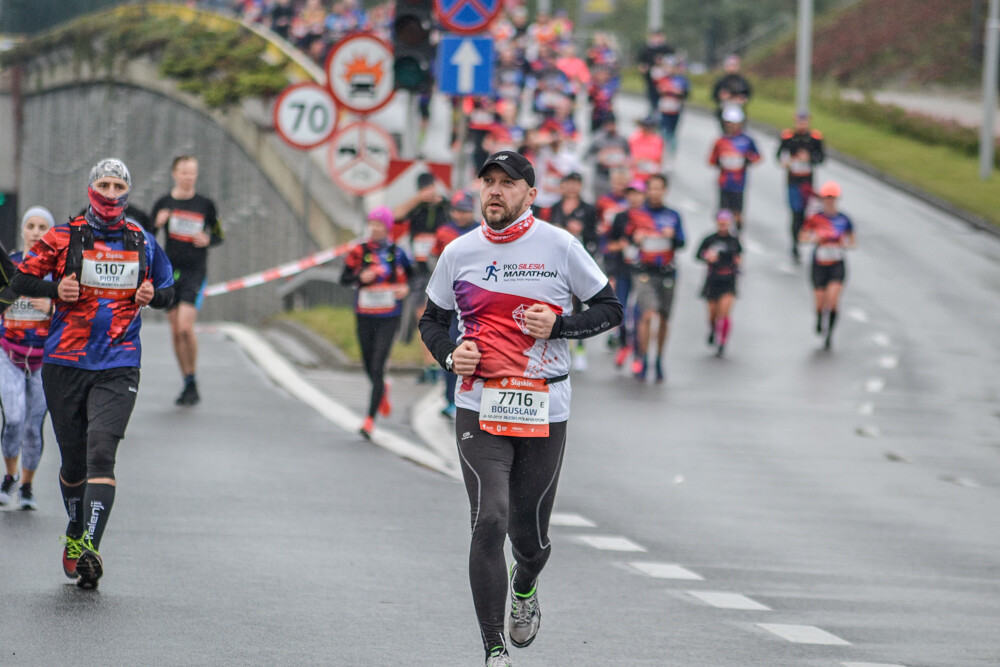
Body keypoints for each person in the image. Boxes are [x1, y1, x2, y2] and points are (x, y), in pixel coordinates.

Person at [418, 151, 622, 666]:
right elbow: (431, 321)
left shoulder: (560, 246)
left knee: (529, 540)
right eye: (488, 181)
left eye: (507, 183)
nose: (495, 190)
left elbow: (611, 309)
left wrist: (561, 326)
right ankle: (494, 649)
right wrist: (450, 355)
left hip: (544, 406)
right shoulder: (458, 252)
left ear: (530, 195)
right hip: (479, 402)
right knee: (489, 518)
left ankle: (525, 583)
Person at [11, 158, 174, 589]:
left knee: (101, 453)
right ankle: (76, 527)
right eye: (104, 184)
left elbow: (169, 291)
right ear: (91, 188)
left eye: (119, 185)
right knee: (73, 462)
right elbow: (20, 282)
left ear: (128, 191)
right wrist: (55, 289)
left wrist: (153, 295)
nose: (111, 193)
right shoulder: (62, 236)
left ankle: (89, 547)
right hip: (65, 363)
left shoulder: (141, 240)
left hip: (119, 362)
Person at [150, 155, 224, 406]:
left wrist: (208, 240)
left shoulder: (205, 204)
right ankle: (187, 381)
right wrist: (157, 223)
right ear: (174, 174)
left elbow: (219, 233)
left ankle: (193, 377)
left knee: (184, 327)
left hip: (195, 271)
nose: (188, 177)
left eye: (192, 173)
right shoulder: (164, 203)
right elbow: (147, 234)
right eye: (184, 172)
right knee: (175, 330)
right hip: (170, 271)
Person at [340, 206, 412, 439]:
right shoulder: (359, 251)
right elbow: (344, 278)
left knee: (378, 365)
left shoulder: (397, 253)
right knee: (369, 365)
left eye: (379, 224)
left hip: (389, 317)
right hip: (364, 315)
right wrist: (360, 277)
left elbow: (416, 277)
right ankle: (382, 388)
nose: (374, 228)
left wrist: (406, 288)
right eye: (371, 223)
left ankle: (369, 420)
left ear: (387, 227)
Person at [0, 207, 54, 510]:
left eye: (42, 227)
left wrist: (51, 307)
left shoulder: (59, 269)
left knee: (33, 426)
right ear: (22, 230)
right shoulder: (9, 266)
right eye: (31, 226)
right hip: (9, 353)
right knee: (14, 419)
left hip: (44, 360)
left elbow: (76, 310)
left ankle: (27, 486)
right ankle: (10, 476)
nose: (35, 232)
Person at [627, 173, 685, 382]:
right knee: (647, 314)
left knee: (663, 317)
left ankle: (659, 358)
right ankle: (642, 357)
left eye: (659, 188)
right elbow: (626, 238)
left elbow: (682, 242)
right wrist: (636, 238)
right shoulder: (637, 215)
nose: (655, 192)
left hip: (667, 271)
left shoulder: (673, 215)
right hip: (644, 271)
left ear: (665, 190)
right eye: (652, 188)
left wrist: (672, 236)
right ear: (647, 191)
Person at [393, 171, 448, 384]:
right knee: (423, 317)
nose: (427, 193)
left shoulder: (446, 207)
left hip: (442, 269)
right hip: (420, 271)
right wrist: (418, 199)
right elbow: (395, 215)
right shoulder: (416, 207)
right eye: (423, 189)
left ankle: (440, 361)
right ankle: (429, 364)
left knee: (442, 318)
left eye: (429, 188)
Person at [431, 190, 479, 419]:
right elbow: (432, 259)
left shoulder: (482, 231)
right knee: (451, 347)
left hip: (475, 303)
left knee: (475, 349)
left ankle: (472, 399)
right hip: (449, 302)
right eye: (457, 211)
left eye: (465, 211)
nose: (460, 215)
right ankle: (450, 399)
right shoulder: (444, 232)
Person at [799, 181, 856, 350]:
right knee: (820, 301)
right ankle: (819, 317)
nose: (830, 201)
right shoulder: (815, 219)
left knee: (833, 300)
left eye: (832, 198)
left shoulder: (844, 219)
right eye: (827, 198)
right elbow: (802, 237)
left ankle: (829, 334)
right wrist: (814, 238)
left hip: (836, 264)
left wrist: (845, 243)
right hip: (819, 264)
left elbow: (853, 241)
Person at [777, 111, 825, 262]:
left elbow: (821, 158)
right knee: (795, 213)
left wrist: (809, 159)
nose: (801, 125)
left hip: (807, 183)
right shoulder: (788, 137)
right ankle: (795, 245)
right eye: (799, 122)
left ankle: (801, 239)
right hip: (793, 183)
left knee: (805, 214)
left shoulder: (815, 138)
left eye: (804, 122)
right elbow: (779, 156)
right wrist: (787, 162)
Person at [695, 209, 742, 357]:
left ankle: (722, 342)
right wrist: (707, 257)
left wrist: (737, 264)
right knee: (713, 313)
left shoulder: (734, 241)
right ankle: (713, 329)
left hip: (728, 279)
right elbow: (698, 255)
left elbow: (739, 257)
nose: (723, 226)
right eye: (721, 223)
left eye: (725, 224)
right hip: (713, 279)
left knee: (725, 312)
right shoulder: (709, 239)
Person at [708, 105, 761, 231]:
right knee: (723, 213)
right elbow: (711, 160)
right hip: (724, 182)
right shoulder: (720, 141)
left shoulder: (747, 140)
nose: (731, 126)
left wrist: (746, 161)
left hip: (739, 183)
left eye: (734, 123)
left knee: (737, 213)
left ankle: (737, 234)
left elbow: (757, 156)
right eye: (728, 123)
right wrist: (722, 162)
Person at [711, 54, 752, 129]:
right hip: (725, 109)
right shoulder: (722, 81)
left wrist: (741, 99)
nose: (732, 68)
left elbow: (747, 95)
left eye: (734, 65)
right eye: (730, 65)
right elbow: (715, 95)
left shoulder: (742, 81)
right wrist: (722, 97)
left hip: (738, 109)